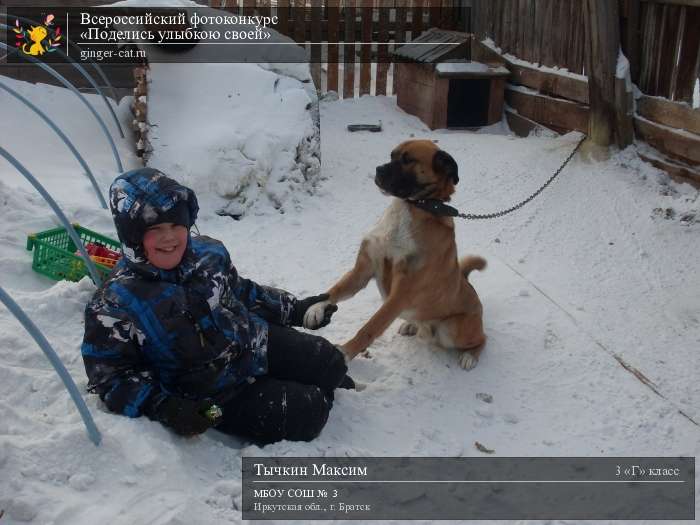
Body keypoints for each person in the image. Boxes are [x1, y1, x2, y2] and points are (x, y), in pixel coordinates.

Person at [81, 168, 352, 443]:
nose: (170, 238)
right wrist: (165, 406)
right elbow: (110, 378)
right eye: (155, 229)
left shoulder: (208, 254)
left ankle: (308, 377)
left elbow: (242, 291)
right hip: (214, 393)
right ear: (132, 237)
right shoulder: (114, 304)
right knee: (310, 411)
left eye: (177, 225)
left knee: (331, 362)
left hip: (254, 343)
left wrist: (296, 309)